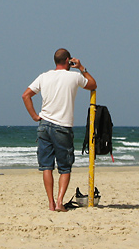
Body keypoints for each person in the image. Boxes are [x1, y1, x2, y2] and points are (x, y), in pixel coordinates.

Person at [22, 48, 97, 211]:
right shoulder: (74, 76)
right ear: (68, 60)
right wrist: (82, 68)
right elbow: (93, 84)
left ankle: (50, 203)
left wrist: (35, 116)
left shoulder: (44, 76)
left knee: (47, 166)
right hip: (62, 126)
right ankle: (59, 202)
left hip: (44, 125)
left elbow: (26, 95)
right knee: (65, 167)